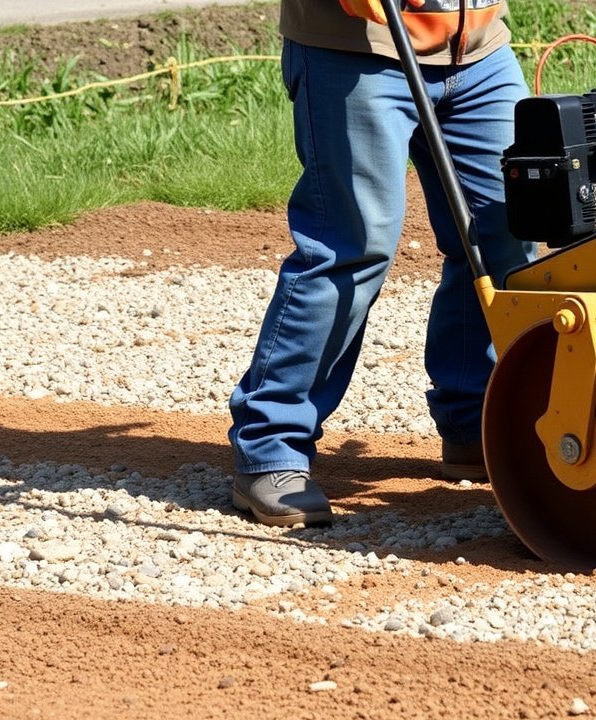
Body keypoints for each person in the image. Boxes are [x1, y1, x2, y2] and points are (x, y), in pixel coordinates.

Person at [228, 0, 536, 527]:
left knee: (507, 229)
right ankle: (271, 442)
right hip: (356, 48)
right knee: (351, 246)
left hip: (479, 51)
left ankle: (475, 420)